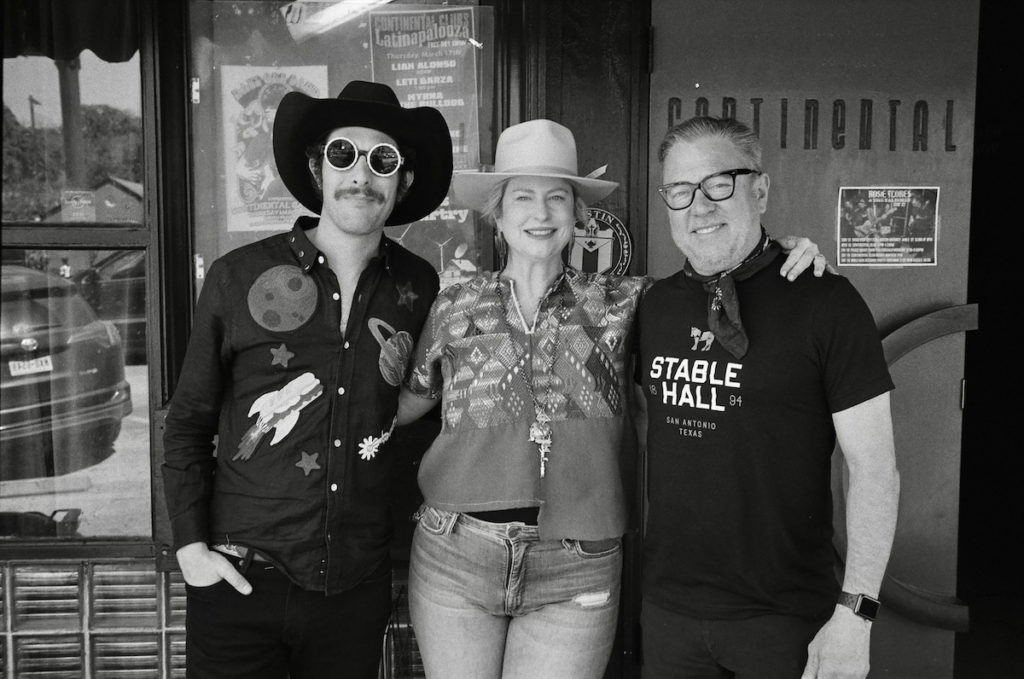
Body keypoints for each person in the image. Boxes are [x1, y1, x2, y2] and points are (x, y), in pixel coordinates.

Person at [395, 119, 827, 679]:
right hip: (455, 552)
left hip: (578, 563)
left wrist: (786, 254)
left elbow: (720, 283)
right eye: (522, 197)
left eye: (558, 198)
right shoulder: (455, 304)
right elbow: (404, 405)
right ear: (497, 215)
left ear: (577, 215)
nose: (541, 212)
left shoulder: (627, 302)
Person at [162, 80, 452, 678]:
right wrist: (190, 550)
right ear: (319, 169)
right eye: (344, 155)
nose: (361, 175)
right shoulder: (237, 277)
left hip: (352, 587)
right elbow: (187, 423)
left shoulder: (420, 286)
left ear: (402, 181)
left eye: (383, 160)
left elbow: (417, 406)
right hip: (238, 578)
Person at [635, 116, 900, 679]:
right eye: (680, 190)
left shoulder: (826, 302)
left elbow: (875, 468)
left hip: (787, 618)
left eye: (718, 184)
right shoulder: (652, 307)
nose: (698, 207)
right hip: (669, 613)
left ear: (760, 190)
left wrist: (856, 613)